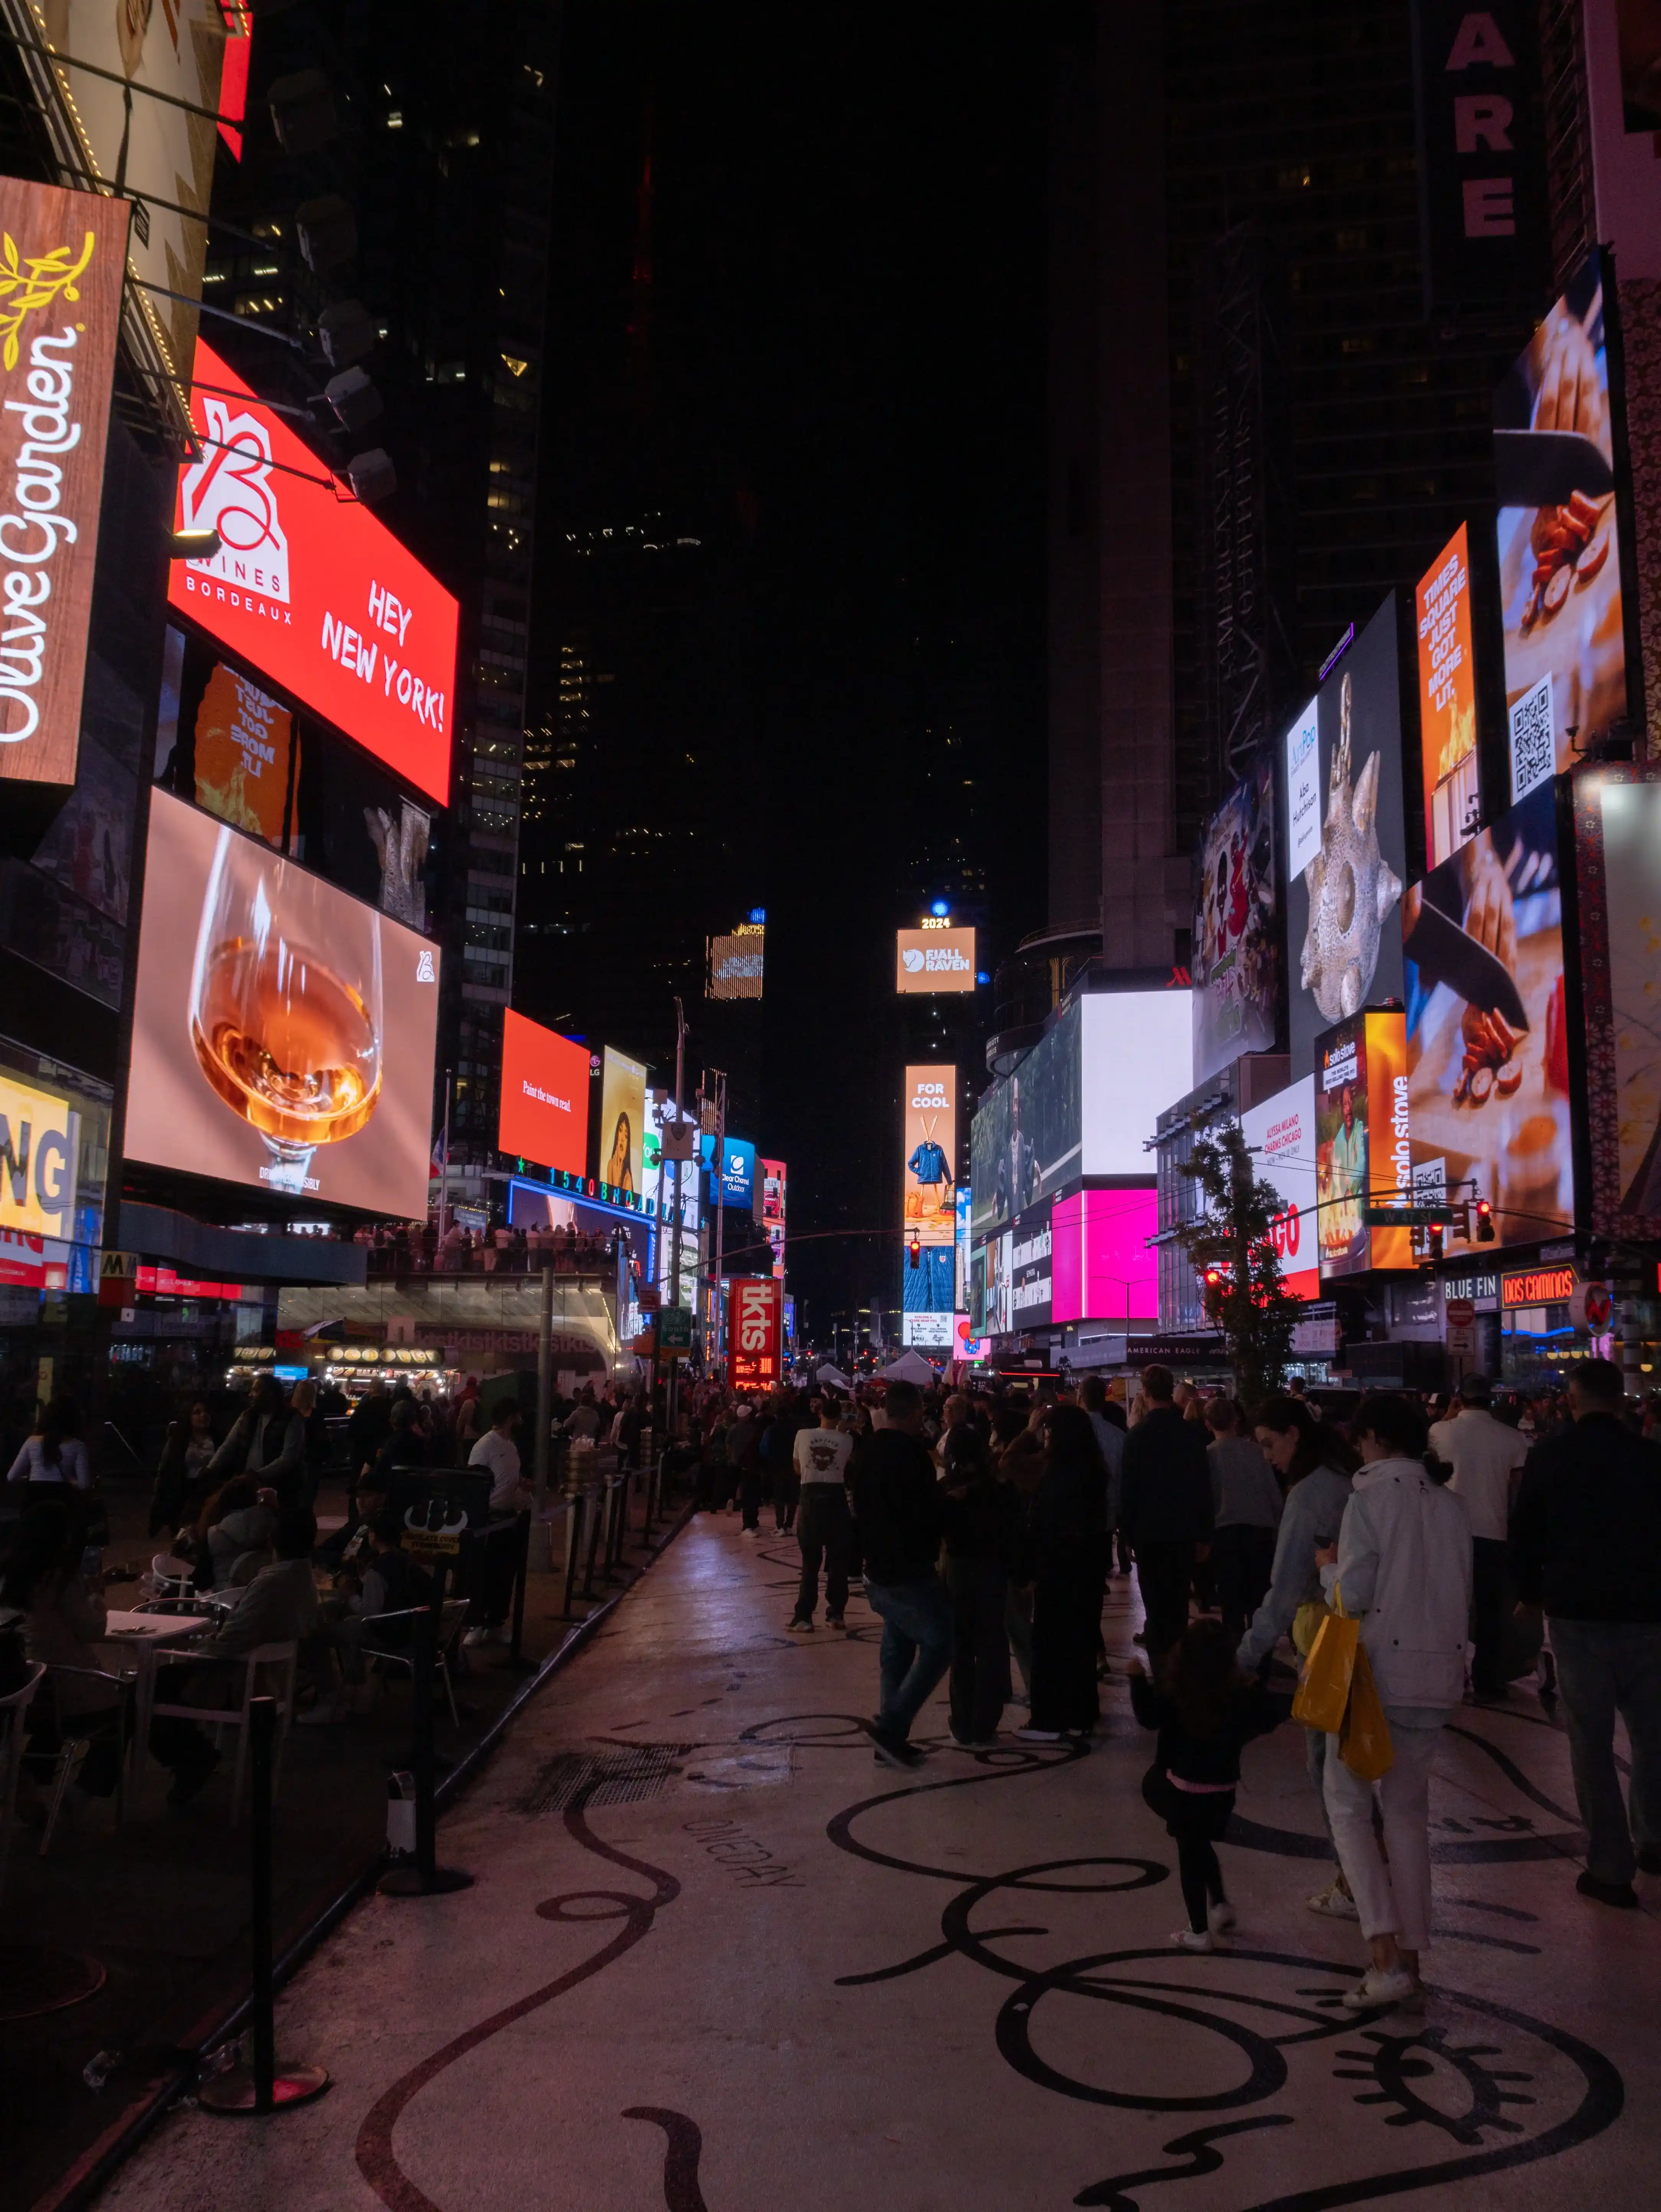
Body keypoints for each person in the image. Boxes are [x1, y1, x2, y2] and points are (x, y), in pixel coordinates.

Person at [1316, 1392, 1472, 2011]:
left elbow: (1352, 1595)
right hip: (1439, 1673)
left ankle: (1383, 1956)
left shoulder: (1369, 1500)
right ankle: (1411, 1957)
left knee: (1348, 1806)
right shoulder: (1451, 1506)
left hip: (1378, 1676)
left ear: (1375, 1437)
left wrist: (1327, 1569)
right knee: (1408, 1813)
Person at [1511, 1357, 1661, 1908]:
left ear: (1571, 1401)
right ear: (1621, 1400)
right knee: (1652, 1737)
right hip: (1648, 1615)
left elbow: (1526, 1533)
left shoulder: (1550, 1457)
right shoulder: (1651, 1458)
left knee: (1591, 1742)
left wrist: (1529, 1594)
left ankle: (1610, 1868)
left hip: (1576, 1614)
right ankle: (1656, 1839)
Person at [1236, 1394, 1358, 1917]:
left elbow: (1284, 1590)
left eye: (1270, 1444)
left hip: (1327, 1641)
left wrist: (1246, 1655)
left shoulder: (1309, 1495)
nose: (1267, 1457)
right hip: (1364, 1631)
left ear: (1294, 1434)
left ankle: (1356, 1883)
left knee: (1328, 1768)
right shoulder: (1346, 1477)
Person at [150, 1507, 323, 1806]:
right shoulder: (303, 1580)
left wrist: (195, 1650)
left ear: (273, 1540)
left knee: (148, 1686)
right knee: (156, 1684)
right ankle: (193, 1757)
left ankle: (194, 1757)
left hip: (238, 1679)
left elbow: (231, 1640)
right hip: (270, 1678)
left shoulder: (271, 1583)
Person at [1130, 1618, 1283, 1952]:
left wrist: (1137, 1681)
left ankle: (1198, 1931)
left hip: (1184, 1792)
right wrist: (1256, 1686)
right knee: (1199, 1844)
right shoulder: (1237, 1697)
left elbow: (1147, 1716)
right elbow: (1272, 1714)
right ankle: (1221, 1903)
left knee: (1190, 1854)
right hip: (1222, 1793)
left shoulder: (1176, 1692)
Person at [848, 1379, 950, 1769]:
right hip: (908, 1569)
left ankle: (890, 1743)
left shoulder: (867, 1451)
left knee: (898, 1649)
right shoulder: (912, 1456)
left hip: (876, 1566)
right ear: (916, 1412)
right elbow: (925, 1513)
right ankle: (890, 1727)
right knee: (941, 1642)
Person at [0, 1499, 122, 1805]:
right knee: (125, 1714)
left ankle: (30, 1780)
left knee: (49, 1728)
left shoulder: (11, 1577)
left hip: (26, 1688)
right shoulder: (60, 1578)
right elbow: (91, 1630)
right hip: (67, 1688)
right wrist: (98, 1602)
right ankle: (81, 1793)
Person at [1431, 1372, 1528, 1698]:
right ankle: (1486, 1680)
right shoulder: (1512, 1439)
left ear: (1460, 1398)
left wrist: (1447, 1416)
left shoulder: (1440, 1432)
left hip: (1448, 1532)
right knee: (1489, 1612)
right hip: (1493, 1531)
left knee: (1449, 1608)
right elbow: (1518, 1490)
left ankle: (1449, 1676)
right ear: (1491, 1400)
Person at [1019, 1405, 1109, 1742]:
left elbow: (1043, 1526)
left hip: (1058, 1569)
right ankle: (1082, 1712)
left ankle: (1049, 1719)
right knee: (1082, 1641)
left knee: (1051, 1643)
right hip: (1087, 1568)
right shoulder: (1093, 1471)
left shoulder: (1057, 1476)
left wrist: (1030, 1568)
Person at [1120, 1365, 1214, 1659]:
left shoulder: (1137, 1436)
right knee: (1178, 1604)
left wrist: (1128, 1535)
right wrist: (1205, 1534)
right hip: (1183, 1533)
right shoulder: (1190, 1434)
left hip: (1149, 1534)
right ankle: (1178, 1663)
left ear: (1145, 1392)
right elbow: (1203, 1486)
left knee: (1155, 1605)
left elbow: (1129, 1490)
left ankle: (1161, 1666)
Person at [941, 1417, 1020, 1748]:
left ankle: (962, 1722)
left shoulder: (948, 1490)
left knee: (960, 1646)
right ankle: (985, 1723)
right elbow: (1014, 1532)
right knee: (990, 1644)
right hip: (993, 1570)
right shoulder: (1000, 1489)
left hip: (958, 1570)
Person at [1204, 1398, 1284, 1642]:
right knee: (1259, 1602)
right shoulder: (1256, 1452)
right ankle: (1261, 1657)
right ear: (1236, 1419)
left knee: (1232, 1604)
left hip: (1225, 1534)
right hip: (1259, 1532)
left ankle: (1235, 1655)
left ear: (1208, 1424)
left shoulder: (1208, 1456)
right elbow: (1273, 1495)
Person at [788, 1397, 855, 1631]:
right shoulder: (847, 1440)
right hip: (836, 1499)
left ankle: (804, 1617)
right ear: (839, 1417)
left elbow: (798, 1468)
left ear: (820, 1413)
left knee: (810, 1562)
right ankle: (836, 1614)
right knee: (838, 1561)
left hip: (810, 1498)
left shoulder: (803, 1435)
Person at [206, 1374, 306, 1505]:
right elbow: (229, 1445)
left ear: (270, 1394)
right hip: (246, 1484)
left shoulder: (291, 1418)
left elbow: (288, 1458)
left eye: (256, 1390)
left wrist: (256, 1476)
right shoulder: (248, 1416)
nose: (251, 1395)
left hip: (279, 1488)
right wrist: (210, 1469)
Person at [149, 1400, 216, 1537]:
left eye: (206, 1412)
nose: (203, 1416)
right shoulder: (179, 1440)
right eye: (197, 1413)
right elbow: (166, 1466)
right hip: (184, 1490)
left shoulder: (216, 1440)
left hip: (209, 1488)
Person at [6, 1395, 92, 1492]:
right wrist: (71, 1481)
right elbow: (84, 1485)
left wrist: (30, 1478)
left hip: (34, 1498)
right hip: (62, 1498)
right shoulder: (78, 1446)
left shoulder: (32, 1442)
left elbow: (12, 1477)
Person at [729, 1401, 763, 1532]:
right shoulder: (753, 1429)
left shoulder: (733, 1428)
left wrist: (732, 1458)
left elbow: (729, 1445)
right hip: (750, 1464)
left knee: (743, 1490)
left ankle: (748, 1518)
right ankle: (750, 1523)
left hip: (736, 1462)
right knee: (751, 1492)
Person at [605, 1111, 634, 1194]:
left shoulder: (627, 1178)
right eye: (620, 1130)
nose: (622, 1139)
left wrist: (617, 1181)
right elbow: (608, 1198)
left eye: (626, 1136)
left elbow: (617, 1201)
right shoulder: (611, 1164)